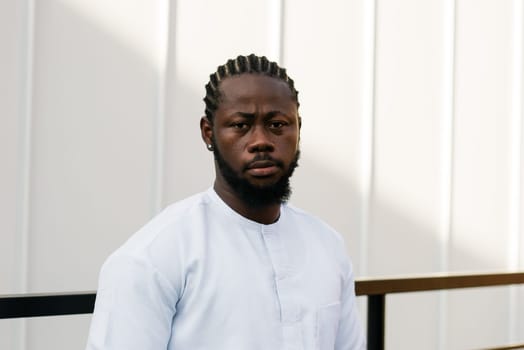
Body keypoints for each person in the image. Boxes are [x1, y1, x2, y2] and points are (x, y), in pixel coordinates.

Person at [86, 54, 365, 350]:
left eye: (277, 124)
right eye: (241, 125)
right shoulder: (154, 256)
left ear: (298, 129)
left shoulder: (327, 246)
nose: (261, 140)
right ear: (209, 133)